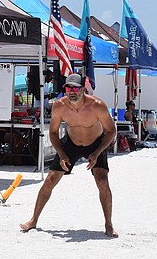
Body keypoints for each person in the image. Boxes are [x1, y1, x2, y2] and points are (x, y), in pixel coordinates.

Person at [20, 73, 118, 237]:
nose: (72, 91)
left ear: (83, 89)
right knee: (50, 180)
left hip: (96, 143)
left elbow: (111, 131)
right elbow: (52, 133)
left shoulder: (97, 105)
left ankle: (108, 224)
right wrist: (62, 154)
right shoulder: (60, 106)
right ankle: (33, 220)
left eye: (75, 88)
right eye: (68, 88)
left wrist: (96, 152)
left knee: (102, 181)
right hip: (71, 143)